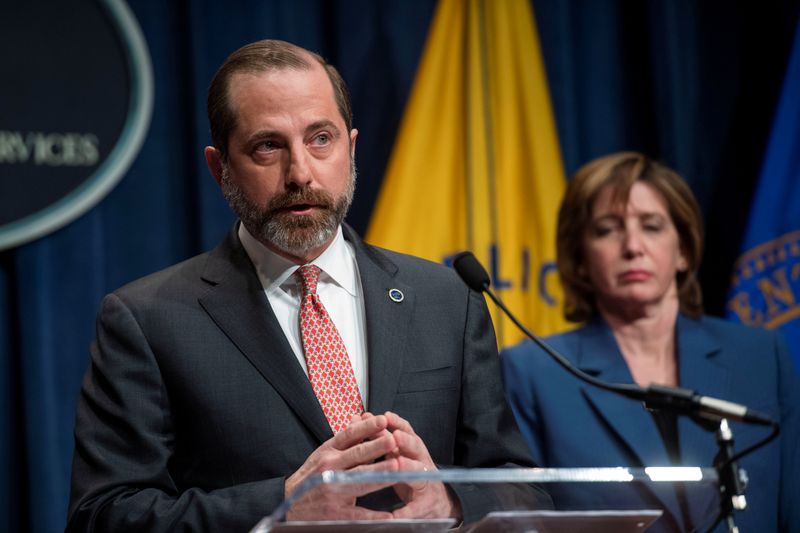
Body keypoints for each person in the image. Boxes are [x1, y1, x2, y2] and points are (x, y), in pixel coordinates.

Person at [66, 39, 550, 532]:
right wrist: (281, 506)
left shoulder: (447, 300)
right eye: (268, 146)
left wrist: (450, 501)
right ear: (219, 168)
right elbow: (102, 516)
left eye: (321, 139)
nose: (301, 173)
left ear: (352, 147)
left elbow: (521, 486)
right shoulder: (149, 320)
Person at [501, 151, 800, 532]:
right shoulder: (532, 372)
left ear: (684, 250)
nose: (633, 246)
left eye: (652, 226)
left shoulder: (761, 357)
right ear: (579, 259)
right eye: (608, 229)